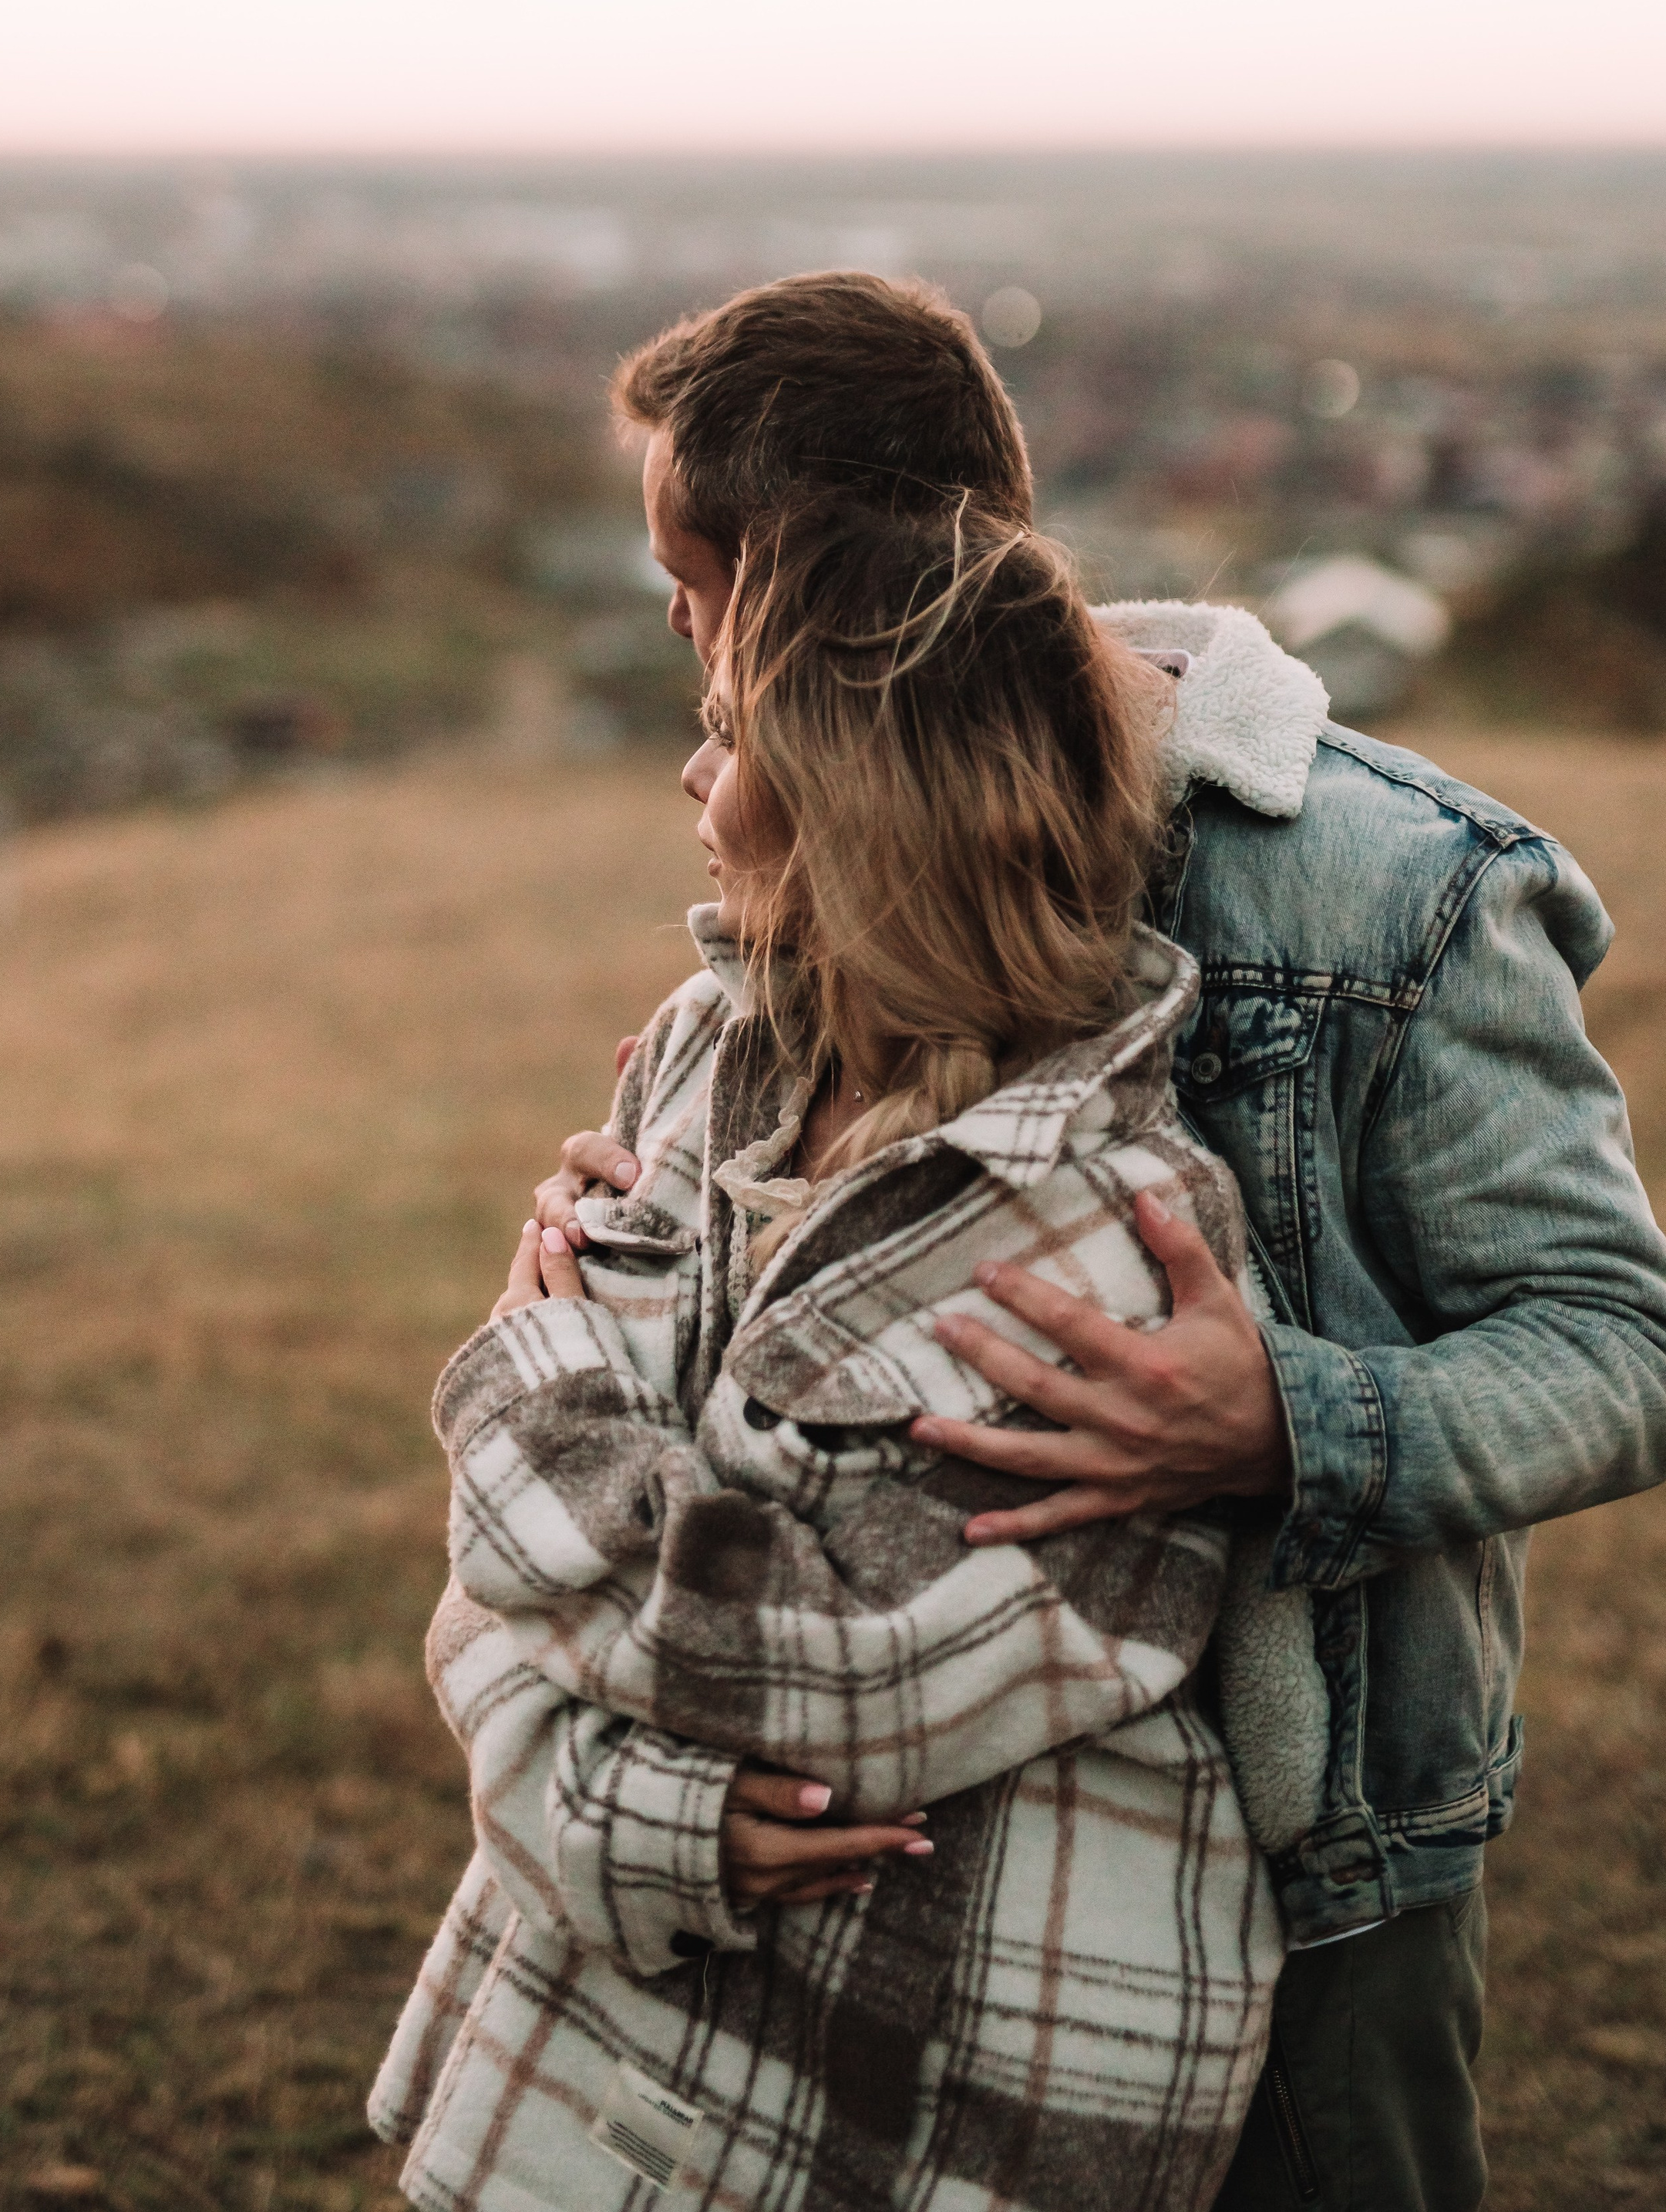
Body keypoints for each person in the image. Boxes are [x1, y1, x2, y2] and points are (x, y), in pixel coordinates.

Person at [536, 271, 1666, 2212]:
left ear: (829, 576)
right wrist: (623, 1258)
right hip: (903, 1856)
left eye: (691, 574)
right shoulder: (801, 845)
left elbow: (1620, 1350)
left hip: (1298, 1873)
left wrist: (1289, 1423)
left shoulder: (1391, 886)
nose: (674, 624)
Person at [372, 497, 1323, 2212]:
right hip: (608, 2046)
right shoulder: (704, 1052)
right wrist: (605, 1812)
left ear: (860, 805)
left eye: (732, 737)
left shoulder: (1102, 1225)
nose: (690, 776)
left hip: (934, 2072)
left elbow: (834, 1683)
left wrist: (523, 1389)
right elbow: (500, 1598)